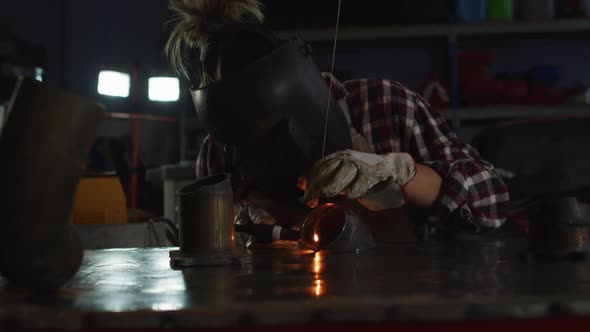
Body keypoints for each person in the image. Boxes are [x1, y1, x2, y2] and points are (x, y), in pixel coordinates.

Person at [165, 0, 510, 244]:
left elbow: (492, 201)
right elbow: (203, 256)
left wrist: (398, 173)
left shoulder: (387, 106)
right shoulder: (218, 154)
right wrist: (235, 236)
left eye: (277, 132)